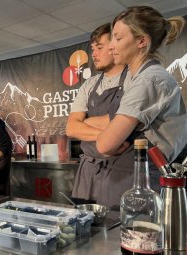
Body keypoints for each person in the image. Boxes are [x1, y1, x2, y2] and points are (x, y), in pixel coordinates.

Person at [96, 7, 187, 191]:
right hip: (127, 176)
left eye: (118, 38)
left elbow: (104, 144)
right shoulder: (135, 77)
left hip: (143, 181)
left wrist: (108, 135)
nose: (111, 45)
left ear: (142, 41)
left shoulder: (149, 80)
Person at [66, 23, 134, 208]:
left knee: (116, 228)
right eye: (93, 49)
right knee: (81, 226)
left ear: (114, 47)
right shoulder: (89, 85)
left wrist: (86, 122)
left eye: (100, 47)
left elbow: (130, 123)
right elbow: (71, 127)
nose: (93, 54)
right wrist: (111, 134)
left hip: (121, 172)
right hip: (88, 172)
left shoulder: (134, 79)